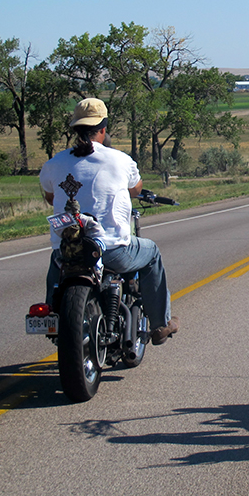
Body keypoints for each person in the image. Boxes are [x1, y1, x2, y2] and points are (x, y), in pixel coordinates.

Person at [40, 98, 179, 345]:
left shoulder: (53, 164)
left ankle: (53, 317)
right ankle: (160, 324)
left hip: (67, 251)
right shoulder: (120, 160)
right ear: (103, 129)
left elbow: (50, 196)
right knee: (152, 253)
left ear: (75, 129)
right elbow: (135, 189)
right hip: (112, 249)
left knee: (57, 263)